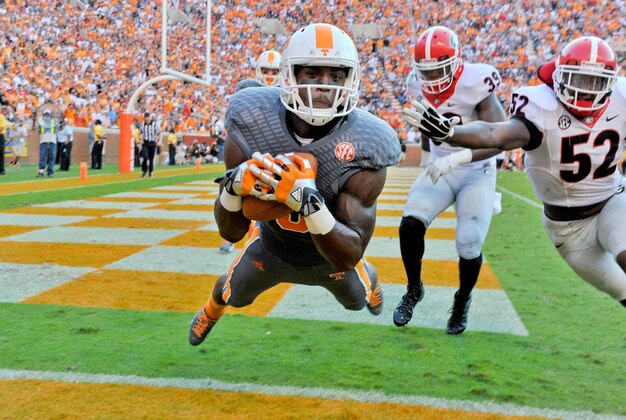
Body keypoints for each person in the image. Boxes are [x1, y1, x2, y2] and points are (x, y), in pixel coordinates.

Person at [188, 23, 401, 346]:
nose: (325, 86)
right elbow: (230, 232)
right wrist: (231, 190)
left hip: (330, 260)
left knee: (356, 301)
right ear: (291, 76)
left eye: (336, 76)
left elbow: (348, 254)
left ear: (351, 79)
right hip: (272, 248)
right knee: (230, 292)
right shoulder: (254, 119)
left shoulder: (366, 141)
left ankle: (370, 278)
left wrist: (308, 201)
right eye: (313, 74)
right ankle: (209, 311)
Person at [404, 36, 626, 309]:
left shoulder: (621, 97)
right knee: (622, 291)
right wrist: (453, 133)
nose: (586, 90)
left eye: (595, 82)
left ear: (611, 82)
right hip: (567, 229)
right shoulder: (541, 105)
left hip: (611, 202)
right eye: (578, 79)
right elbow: (495, 133)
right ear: (559, 76)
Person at [393, 26, 507, 335]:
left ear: (456, 63)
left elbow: (500, 140)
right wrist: (436, 159)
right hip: (441, 167)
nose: (432, 80)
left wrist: (455, 158)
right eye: (425, 73)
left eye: (439, 70)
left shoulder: (476, 83)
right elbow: (431, 132)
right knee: (410, 223)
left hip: (476, 170)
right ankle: (414, 289)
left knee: (468, 242)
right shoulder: (417, 86)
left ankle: (462, 301)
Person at [36, 109, 57, 178]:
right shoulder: (40, 121)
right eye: (46, 114)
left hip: (52, 141)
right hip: (43, 141)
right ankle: (41, 172)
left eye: (48, 114)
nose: (47, 116)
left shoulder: (54, 121)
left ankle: (50, 171)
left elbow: (60, 128)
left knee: (52, 157)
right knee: (42, 157)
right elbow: (35, 127)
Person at [139, 112, 161, 177]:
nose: (147, 118)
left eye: (148, 117)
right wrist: (141, 140)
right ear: (144, 118)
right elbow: (140, 133)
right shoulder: (142, 125)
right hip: (145, 142)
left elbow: (159, 133)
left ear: (150, 117)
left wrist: (158, 140)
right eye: (146, 117)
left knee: (151, 159)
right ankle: (144, 170)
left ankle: (151, 172)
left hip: (152, 143)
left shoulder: (154, 124)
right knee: (145, 157)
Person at [0, 106, 13, 175]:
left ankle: (1, 170)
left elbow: (1, 128)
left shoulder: (1, 117)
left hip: (0, 136)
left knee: (0, 153)